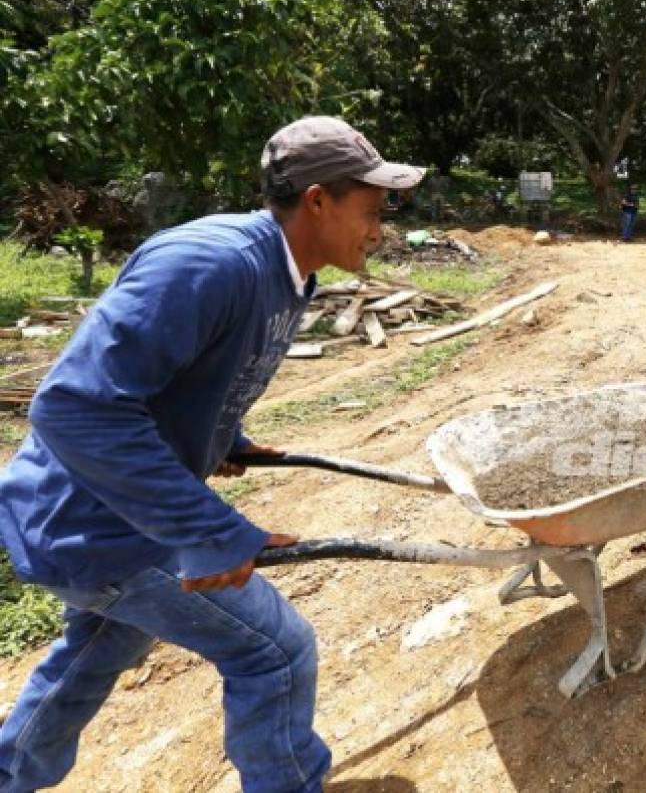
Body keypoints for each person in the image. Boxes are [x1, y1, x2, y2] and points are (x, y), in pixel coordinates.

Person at [0, 116, 424, 793]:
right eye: (370, 212)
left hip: (105, 516)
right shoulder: (209, 264)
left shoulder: (287, 275)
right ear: (318, 200)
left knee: (100, 648)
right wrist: (210, 531)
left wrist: (220, 436)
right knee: (277, 653)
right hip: (95, 524)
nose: (378, 230)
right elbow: (73, 407)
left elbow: (184, 375)